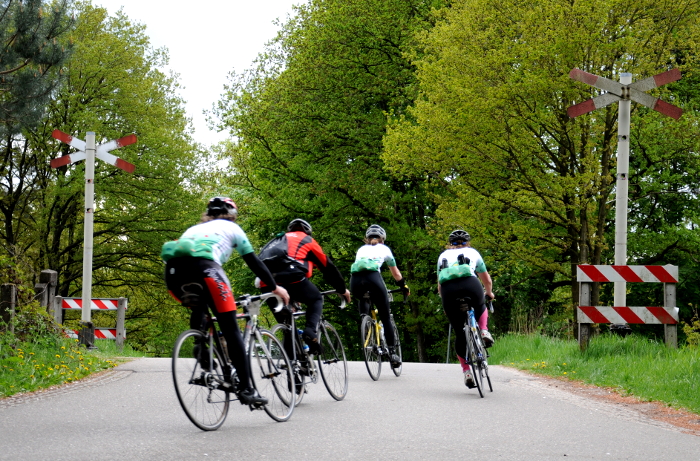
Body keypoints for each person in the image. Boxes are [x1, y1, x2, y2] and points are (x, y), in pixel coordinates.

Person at [162, 197, 290, 406]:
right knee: (231, 329)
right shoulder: (232, 228)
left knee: (200, 306)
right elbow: (254, 262)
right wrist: (275, 287)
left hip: (173, 274)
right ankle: (247, 390)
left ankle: (200, 342)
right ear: (232, 214)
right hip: (206, 270)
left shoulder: (193, 229)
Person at [260, 218, 351, 354]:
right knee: (316, 299)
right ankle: (310, 331)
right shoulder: (307, 240)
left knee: (287, 326)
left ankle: (292, 363)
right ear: (308, 231)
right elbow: (328, 267)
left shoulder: (278, 240)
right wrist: (342, 289)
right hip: (292, 278)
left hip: (266, 283)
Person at [436, 229, 495, 388]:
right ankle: (483, 330)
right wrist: (489, 293)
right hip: (471, 284)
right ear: (467, 242)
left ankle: (467, 371)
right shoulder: (473, 252)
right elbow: (487, 280)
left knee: (459, 333)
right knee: (481, 305)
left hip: (449, 291)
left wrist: (446, 303)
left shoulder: (442, 256)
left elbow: (440, 284)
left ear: (450, 243)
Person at [349, 224, 408, 368]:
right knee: (385, 317)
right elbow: (396, 273)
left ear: (367, 238)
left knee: (363, 297)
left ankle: (365, 321)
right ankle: (392, 353)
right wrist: (403, 286)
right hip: (373, 278)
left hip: (355, 281)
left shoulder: (361, 249)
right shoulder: (385, 249)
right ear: (382, 238)